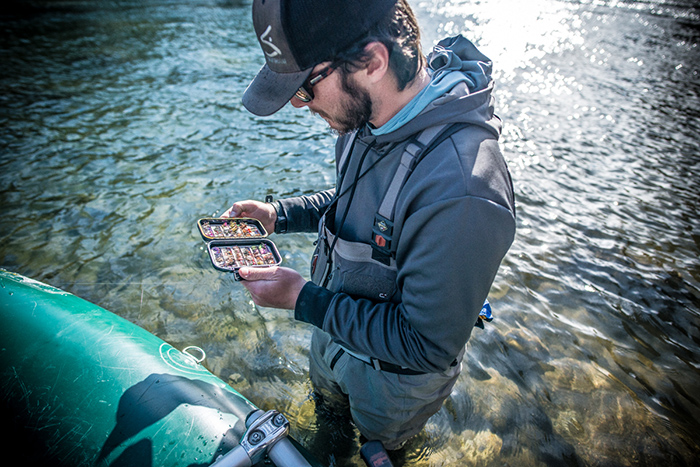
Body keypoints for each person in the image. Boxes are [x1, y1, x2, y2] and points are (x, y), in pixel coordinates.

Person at [222, 0, 516, 452]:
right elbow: (355, 204)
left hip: (395, 386)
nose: (300, 106)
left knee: (381, 450)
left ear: (373, 62)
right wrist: (279, 214)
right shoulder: (367, 118)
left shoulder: (464, 191)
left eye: (304, 89)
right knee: (328, 434)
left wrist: (304, 300)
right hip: (334, 338)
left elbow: (425, 346)